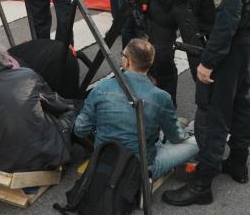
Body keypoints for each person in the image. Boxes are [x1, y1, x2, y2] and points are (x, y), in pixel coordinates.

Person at [162, 0, 250, 206]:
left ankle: (202, 184)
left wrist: (208, 62)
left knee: (211, 111)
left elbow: (227, 17)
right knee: (240, 99)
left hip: (228, 44)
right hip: (247, 39)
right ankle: (238, 162)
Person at [74, 38, 198, 180]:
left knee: (161, 135)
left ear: (127, 62)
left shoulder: (101, 88)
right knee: (194, 143)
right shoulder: (161, 97)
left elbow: (80, 129)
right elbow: (176, 138)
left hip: (104, 158)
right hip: (142, 166)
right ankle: (186, 132)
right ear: (149, 64)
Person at [0, 39, 76, 173]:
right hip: (43, 161)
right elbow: (57, 104)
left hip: (1, 168)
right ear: (5, 57)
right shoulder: (27, 75)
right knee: (68, 111)